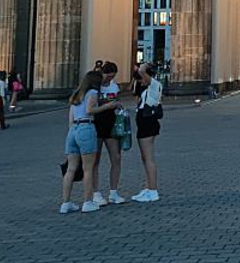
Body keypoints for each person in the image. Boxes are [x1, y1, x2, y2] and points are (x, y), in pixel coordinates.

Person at [60, 71, 118, 214]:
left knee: (71, 169)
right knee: (88, 169)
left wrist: (72, 132)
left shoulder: (76, 94)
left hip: (73, 130)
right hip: (86, 127)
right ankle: (88, 202)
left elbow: (70, 118)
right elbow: (89, 110)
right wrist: (108, 106)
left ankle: (65, 203)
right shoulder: (92, 92)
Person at [91, 62, 126, 207]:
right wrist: (106, 104)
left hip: (111, 124)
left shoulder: (114, 86)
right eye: (107, 76)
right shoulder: (95, 87)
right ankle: (95, 193)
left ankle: (113, 192)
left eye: (112, 77)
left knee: (116, 158)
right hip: (96, 124)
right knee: (95, 160)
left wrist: (118, 105)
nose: (109, 79)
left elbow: (117, 100)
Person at [132, 62, 163, 203]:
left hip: (148, 124)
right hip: (144, 123)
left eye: (142, 78)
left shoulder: (154, 85)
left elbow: (143, 71)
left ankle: (153, 190)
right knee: (145, 158)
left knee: (148, 158)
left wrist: (143, 65)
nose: (141, 81)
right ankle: (148, 187)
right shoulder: (147, 89)